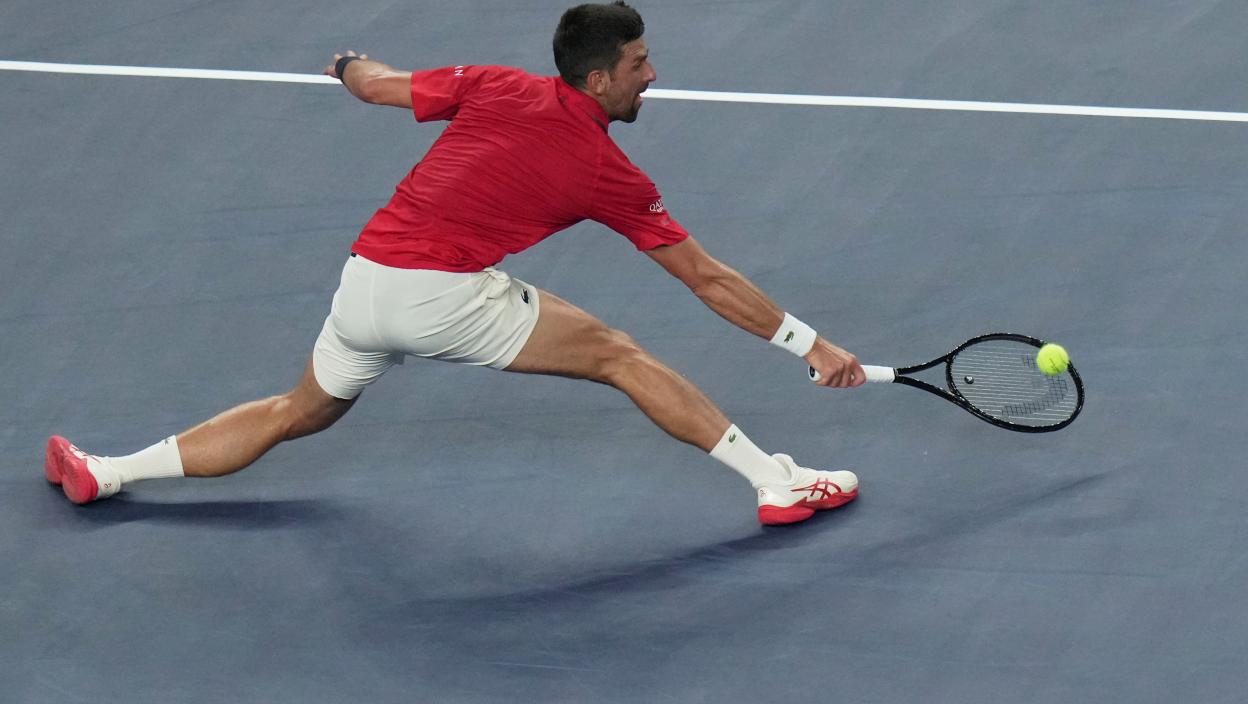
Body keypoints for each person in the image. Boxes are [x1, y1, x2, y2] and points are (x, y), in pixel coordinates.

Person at [44, 1, 866, 525]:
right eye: (638, 64)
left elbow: (376, 86)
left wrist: (346, 63)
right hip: (439, 297)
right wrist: (812, 345)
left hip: (363, 284)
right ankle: (776, 482)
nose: (651, 75)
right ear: (597, 77)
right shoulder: (606, 172)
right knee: (620, 356)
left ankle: (107, 471)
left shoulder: (496, 84)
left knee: (300, 410)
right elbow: (706, 277)